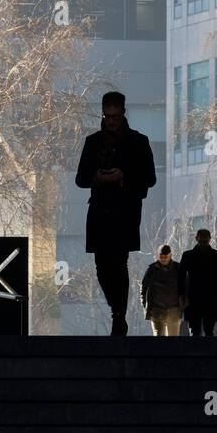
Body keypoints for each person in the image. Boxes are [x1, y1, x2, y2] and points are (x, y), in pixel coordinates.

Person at [75, 91, 157, 337]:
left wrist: (124, 176)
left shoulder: (138, 142)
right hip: (100, 209)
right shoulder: (93, 142)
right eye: (107, 116)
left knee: (119, 263)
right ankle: (117, 310)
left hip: (125, 210)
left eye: (115, 116)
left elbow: (150, 178)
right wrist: (96, 177)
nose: (111, 121)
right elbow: (80, 178)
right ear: (103, 114)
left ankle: (118, 315)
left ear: (123, 113)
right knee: (102, 265)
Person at [178, 229, 217, 336]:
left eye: (205, 238)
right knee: (204, 330)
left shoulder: (188, 255)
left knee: (200, 330)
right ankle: (207, 351)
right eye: (202, 238)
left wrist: (182, 294)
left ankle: (198, 352)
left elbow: (181, 276)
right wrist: (216, 290)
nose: (204, 240)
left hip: (197, 295)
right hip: (204, 296)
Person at [141, 245, 184, 336]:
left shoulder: (178, 268)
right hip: (156, 310)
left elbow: (186, 287)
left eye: (165, 256)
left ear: (170, 256)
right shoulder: (152, 269)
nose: (163, 259)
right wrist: (146, 305)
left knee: (173, 339)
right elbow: (144, 289)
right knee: (158, 340)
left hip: (174, 310)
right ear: (158, 256)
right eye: (161, 257)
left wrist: (183, 306)